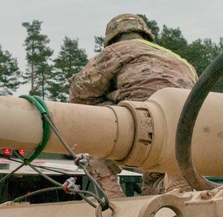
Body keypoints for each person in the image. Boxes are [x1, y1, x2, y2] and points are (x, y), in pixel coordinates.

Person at [68, 13, 199, 197]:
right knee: (155, 183)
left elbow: (78, 94)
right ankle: (175, 180)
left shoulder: (118, 51)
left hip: (144, 123)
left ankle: (111, 190)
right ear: (146, 35)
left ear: (113, 39)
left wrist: (113, 95)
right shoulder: (180, 61)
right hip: (187, 133)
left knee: (90, 119)